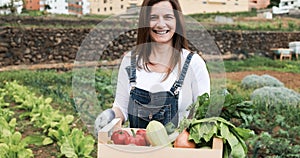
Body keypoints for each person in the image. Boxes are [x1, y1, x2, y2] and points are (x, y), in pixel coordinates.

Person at [94, 0, 210, 136]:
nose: (161, 24)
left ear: (177, 22)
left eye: (168, 17)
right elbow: (122, 108)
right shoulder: (130, 61)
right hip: (137, 151)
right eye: (153, 17)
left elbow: (202, 116)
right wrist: (111, 116)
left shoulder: (193, 64)